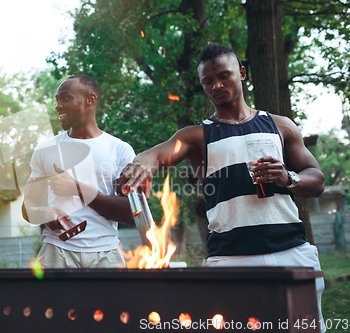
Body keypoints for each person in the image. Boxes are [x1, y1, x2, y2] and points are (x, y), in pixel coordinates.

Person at [120, 43, 326, 332]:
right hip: (231, 258)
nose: (216, 85)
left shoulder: (281, 126)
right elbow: (154, 155)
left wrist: (288, 178)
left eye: (224, 76)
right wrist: (140, 163)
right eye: (208, 81)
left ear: (241, 73)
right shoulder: (196, 136)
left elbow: (316, 179)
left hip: (291, 251)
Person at [22, 75, 135, 268]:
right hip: (56, 251)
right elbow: (28, 207)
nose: (58, 106)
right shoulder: (46, 149)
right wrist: (43, 213)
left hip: (106, 255)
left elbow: (131, 212)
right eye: (57, 100)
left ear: (90, 99)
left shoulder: (120, 150)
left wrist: (77, 188)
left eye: (65, 98)